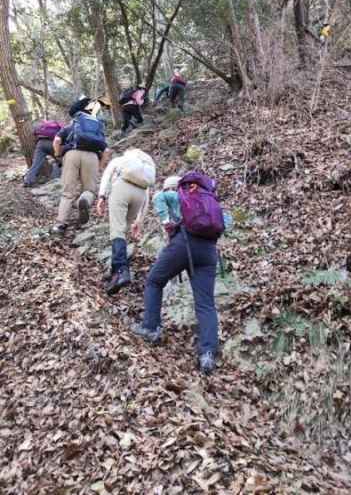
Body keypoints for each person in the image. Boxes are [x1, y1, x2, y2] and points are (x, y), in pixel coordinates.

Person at [132, 171, 223, 375]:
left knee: (154, 281)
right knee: (206, 303)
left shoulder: (178, 194)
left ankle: (150, 327)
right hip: (209, 251)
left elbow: (158, 197)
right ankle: (208, 353)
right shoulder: (210, 201)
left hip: (184, 244)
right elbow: (227, 222)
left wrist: (166, 221)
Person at [97, 148, 155, 296]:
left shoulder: (121, 160)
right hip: (139, 195)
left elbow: (107, 175)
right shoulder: (144, 169)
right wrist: (139, 221)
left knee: (117, 231)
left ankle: (121, 271)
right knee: (122, 232)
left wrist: (102, 196)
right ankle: (114, 271)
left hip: (121, 189)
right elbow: (147, 193)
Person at [51, 100, 109, 236]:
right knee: (89, 190)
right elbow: (106, 150)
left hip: (72, 154)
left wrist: (58, 153)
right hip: (92, 157)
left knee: (67, 192)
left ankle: (60, 225)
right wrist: (100, 166)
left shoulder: (72, 125)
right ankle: (83, 200)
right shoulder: (98, 127)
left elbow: (57, 141)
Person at [23, 120, 64, 187]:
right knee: (59, 161)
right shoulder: (59, 126)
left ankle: (28, 181)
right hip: (53, 144)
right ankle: (55, 180)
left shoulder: (42, 127)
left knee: (36, 164)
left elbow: (35, 133)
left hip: (41, 144)